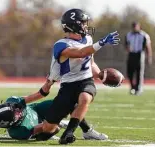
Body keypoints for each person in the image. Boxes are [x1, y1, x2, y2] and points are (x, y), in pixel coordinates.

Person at [30, 8, 120, 145]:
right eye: (83, 23)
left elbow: (90, 62)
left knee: (84, 97)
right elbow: (81, 53)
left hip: (85, 80)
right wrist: (101, 43)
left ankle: (69, 132)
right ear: (74, 25)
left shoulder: (88, 39)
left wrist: (101, 75)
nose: (86, 26)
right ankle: (23, 129)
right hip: (67, 85)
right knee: (47, 129)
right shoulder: (61, 45)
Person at [0, 96, 108, 140]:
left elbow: (37, 95)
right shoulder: (19, 131)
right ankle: (62, 123)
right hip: (40, 129)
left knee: (68, 103)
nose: (17, 109)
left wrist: (48, 83)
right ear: (13, 122)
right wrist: (56, 121)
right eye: (15, 112)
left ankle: (87, 131)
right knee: (51, 130)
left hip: (37, 109)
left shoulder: (13, 101)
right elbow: (48, 128)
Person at [125, 22, 152, 95]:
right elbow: (126, 44)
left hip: (140, 54)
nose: (134, 28)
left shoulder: (144, 35)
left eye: (135, 26)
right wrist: (128, 51)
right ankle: (132, 87)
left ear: (139, 27)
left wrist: (149, 57)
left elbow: (148, 47)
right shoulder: (129, 35)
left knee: (139, 72)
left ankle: (138, 88)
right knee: (129, 72)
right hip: (131, 54)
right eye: (133, 27)